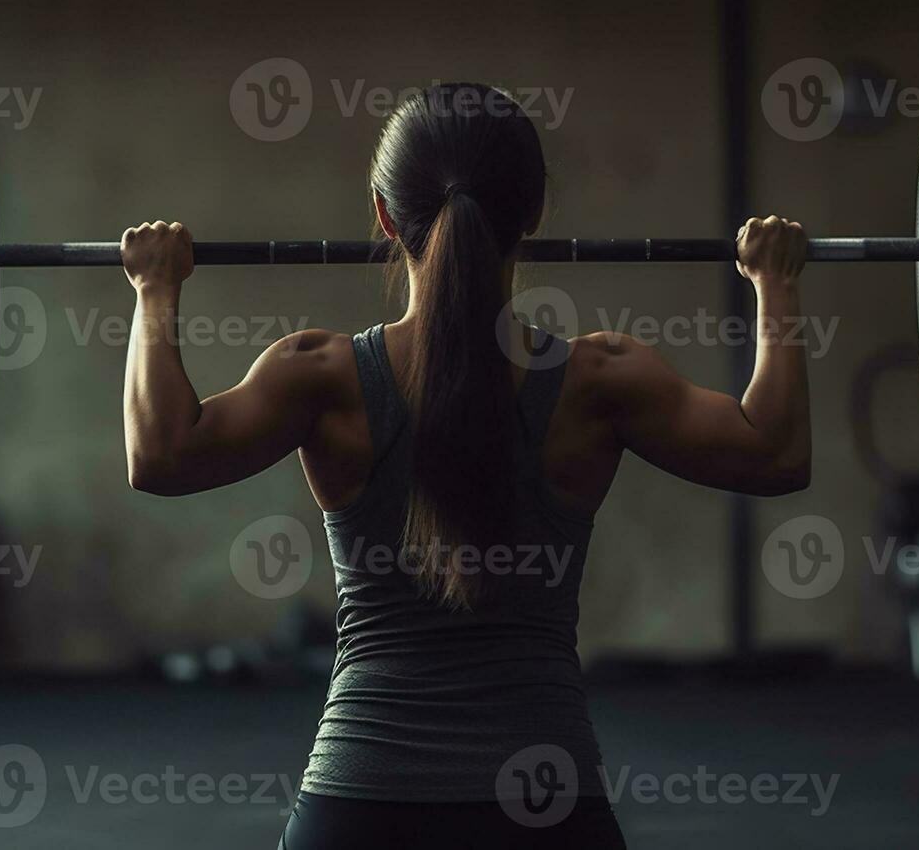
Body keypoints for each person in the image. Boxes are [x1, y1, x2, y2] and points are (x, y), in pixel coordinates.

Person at [120, 83, 811, 849]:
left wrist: (155, 290)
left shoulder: (317, 375)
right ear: (535, 212)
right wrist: (774, 287)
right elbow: (774, 453)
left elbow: (161, 454)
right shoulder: (600, 380)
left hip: (360, 808)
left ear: (383, 215)